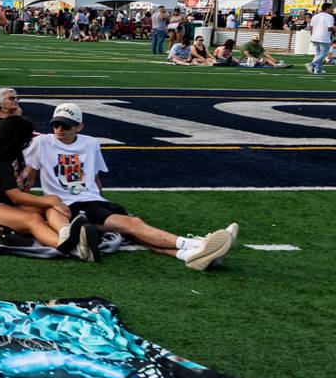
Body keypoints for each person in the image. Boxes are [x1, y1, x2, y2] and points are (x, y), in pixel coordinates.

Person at [22, 102, 236, 271]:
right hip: (72, 204)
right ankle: (197, 246)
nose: (59, 129)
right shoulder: (42, 143)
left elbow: (95, 178)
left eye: (65, 125)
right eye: (55, 124)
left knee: (134, 233)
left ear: (79, 126)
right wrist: (21, 204)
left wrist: (103, 201)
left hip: (95, 200)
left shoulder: (90, 143)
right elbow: (30, 178)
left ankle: (188, 256)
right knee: (134, 225)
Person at [0, 116, 96, 260]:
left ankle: (66, 232)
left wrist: (51, 201)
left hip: (7, 205)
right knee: (33, 219)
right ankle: (76, 249)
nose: (28, 141)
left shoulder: (7, 154)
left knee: (52, 202)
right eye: (26, 137)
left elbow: (17, 193)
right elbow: (15, 196)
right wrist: (49, 201)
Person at [307, 2, 332, 75]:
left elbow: (311, 28)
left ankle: (317, 70)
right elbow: (329, 28)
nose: (333, 9)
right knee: (324, 53)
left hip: (315, 37)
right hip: (324, 37)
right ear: (327, 8)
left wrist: (312, 37)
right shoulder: (330, 17)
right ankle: (311, 64)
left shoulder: (315, 16)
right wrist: (334, 28)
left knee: (318, 54)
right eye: (331, 8)